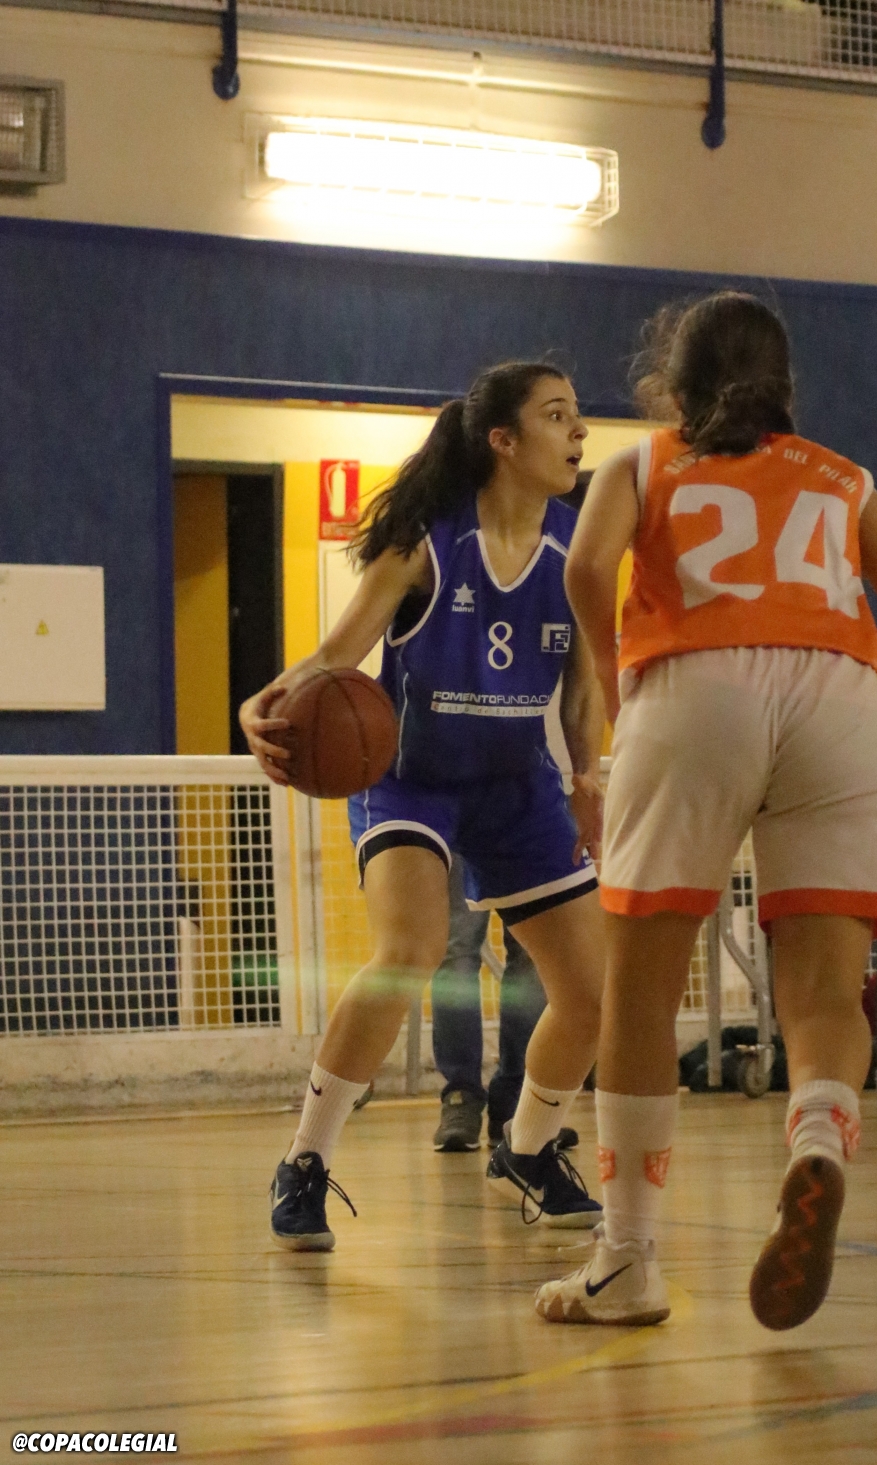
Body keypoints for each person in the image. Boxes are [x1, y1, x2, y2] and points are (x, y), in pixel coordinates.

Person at [538, 291, 877, 1327]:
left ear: (673, 384)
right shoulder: (840, 477)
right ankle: (816, 1140)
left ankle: (626, 1260)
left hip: (695, 687)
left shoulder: (644, 463)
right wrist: (874, 721)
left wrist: (613, 675)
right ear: (783, 386)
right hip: (841, 695)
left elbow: (586, 566)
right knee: (824, 992)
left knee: (639, 991)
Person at [240, 362, 608, 1249]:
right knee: (407, 952)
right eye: (557, 416)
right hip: (412, 776)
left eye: (578, 417)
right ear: (503, 441)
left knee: (594, 992)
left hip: (516, 784)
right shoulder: (425, 543)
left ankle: (527, 1146)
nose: (579, 433)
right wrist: (264, 700)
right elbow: (334, 656)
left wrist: (588, 777)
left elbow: (583, 687)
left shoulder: (582, 549)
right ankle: (304, 1160)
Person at [431, 852, 576, 1154]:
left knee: (532, 952)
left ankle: (519, 1098)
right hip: (455, 825)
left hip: (529, 824)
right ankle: (461, 1096)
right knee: (455, 951)